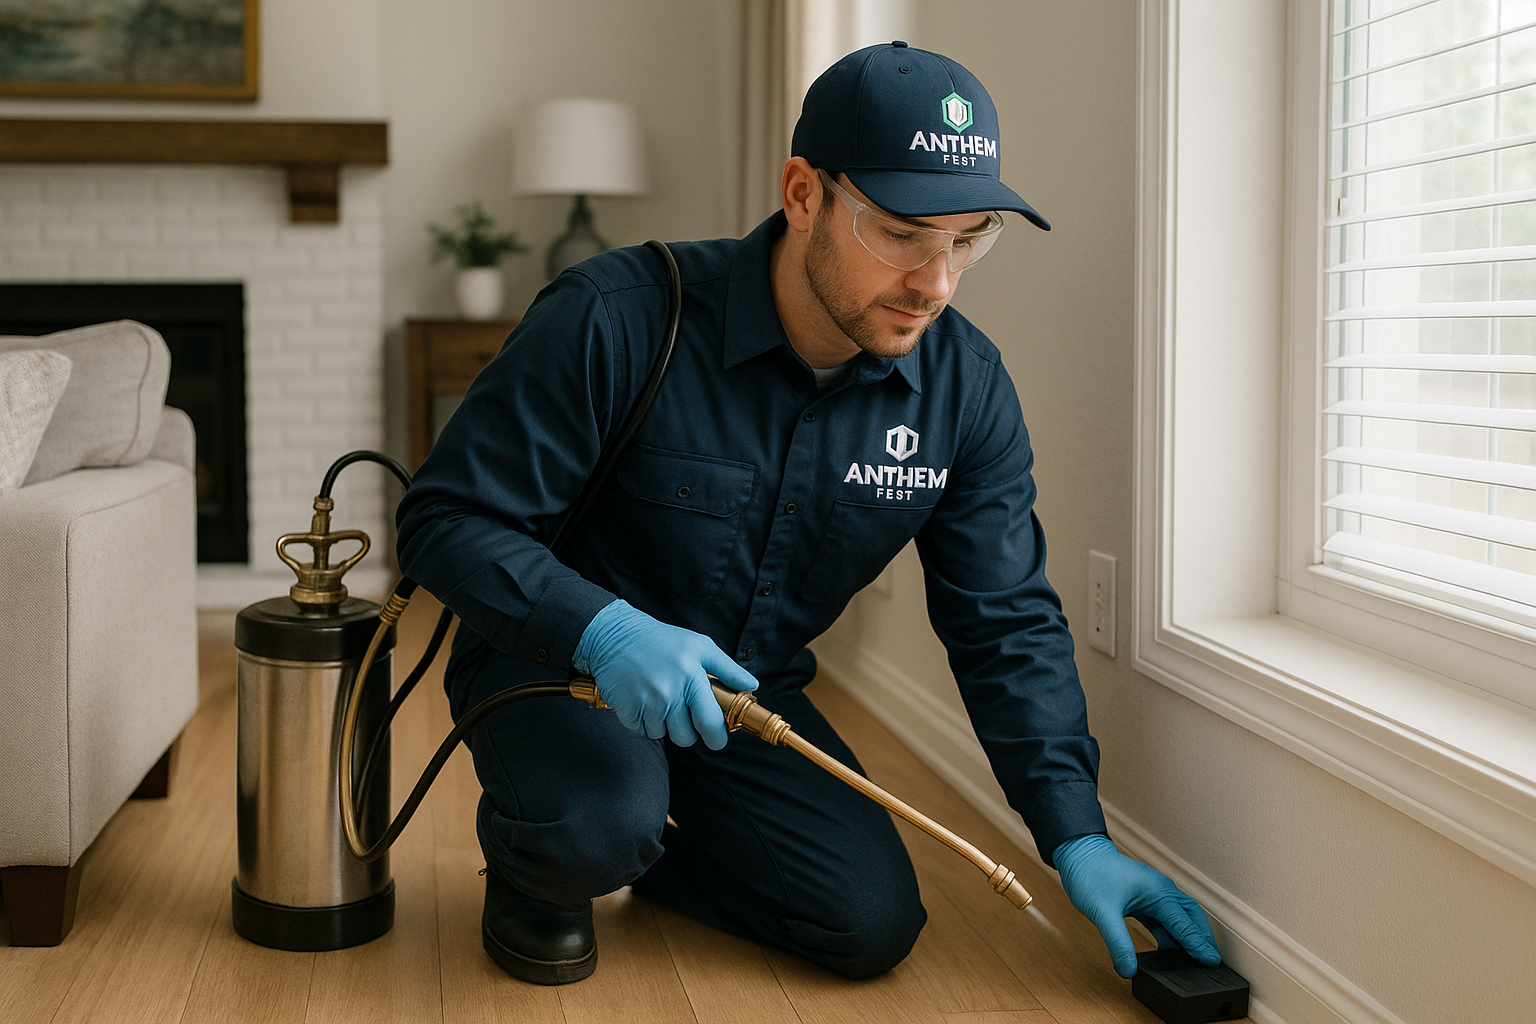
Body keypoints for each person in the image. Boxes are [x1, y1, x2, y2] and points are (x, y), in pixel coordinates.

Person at [396, 41, 1222, 986]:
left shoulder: (965, 391)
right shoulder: (618, 317)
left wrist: (1077, 837)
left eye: (967, 240)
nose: (937, 282)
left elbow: (1006, 622)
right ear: (802, 195)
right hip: (560, 661)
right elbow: (445, 519)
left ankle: (655, 847)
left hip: (751, 694)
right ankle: (545, 859)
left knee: (868, 924)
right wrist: (607, 630)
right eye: (904, 234)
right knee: (596, 828)